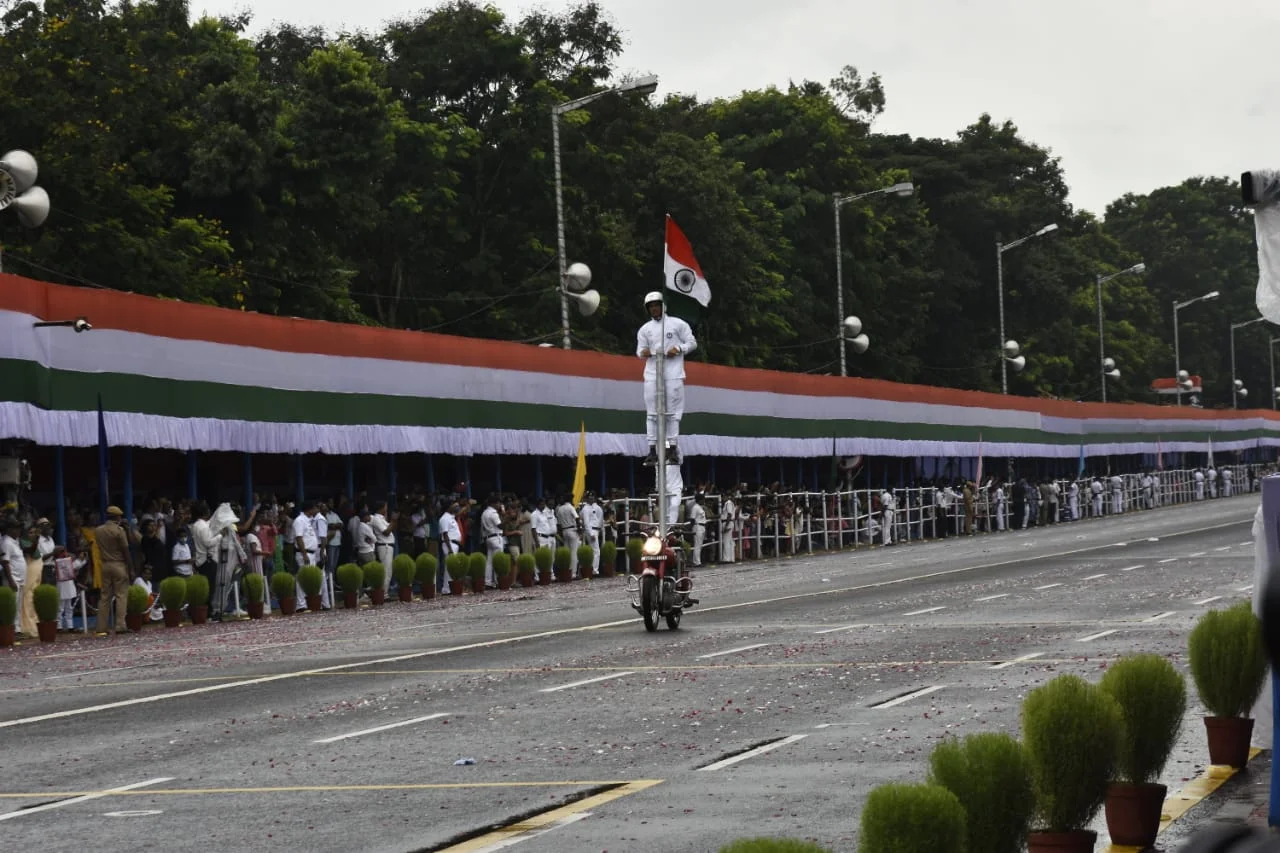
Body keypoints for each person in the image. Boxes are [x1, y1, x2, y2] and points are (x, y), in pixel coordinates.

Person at [636, 291, 696, 466]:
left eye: (657, 305)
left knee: (672, 413)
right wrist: (644, 352)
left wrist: (678, 348)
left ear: (663, 306)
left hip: (673, 374)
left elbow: (692, 343)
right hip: (652, 374)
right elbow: (640, 351)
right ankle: (652, 450)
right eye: (651, 307)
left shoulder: (677, 324)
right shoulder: (645, 329)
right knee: (652, 413)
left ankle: (671, 448)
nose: (654, 309)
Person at [94, 506, 134, 635]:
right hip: (119, 564)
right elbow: (126, 550)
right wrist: (131, 569)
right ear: (117, 517)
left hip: (105, 565)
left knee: (105, 597)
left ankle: (101, 627)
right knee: (121, 595)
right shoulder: (119, 531)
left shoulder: (98, 530)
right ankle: (120, 625)